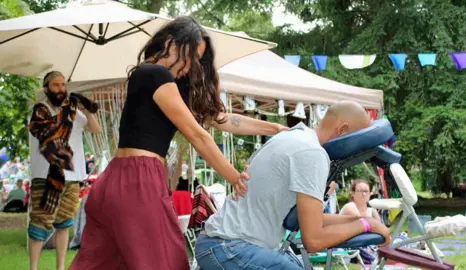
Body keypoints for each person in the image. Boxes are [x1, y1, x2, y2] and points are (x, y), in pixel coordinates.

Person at [70, 16, 287, 270]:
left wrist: (276, 128)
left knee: (100, 264)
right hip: (139, 182)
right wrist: (235, 177)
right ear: (172, 44)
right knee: (169, 263)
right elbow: (197, 135)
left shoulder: (151, 79)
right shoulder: (157, 74)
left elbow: (222, 119)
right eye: (190, 56)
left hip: (113, 182)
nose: (191, 65)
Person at [195, 101, 391, 269]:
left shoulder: (294, 137)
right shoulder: (312, 153)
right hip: (229, 247)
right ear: (343, 130)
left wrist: (365, 222)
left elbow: (313, 221)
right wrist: (364, 224)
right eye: (359, 141)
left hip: (220, 242)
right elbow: (314, 240)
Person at [28, 71, 101, 270]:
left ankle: (61, 268)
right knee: (39, 225)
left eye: (62, 85)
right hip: (45, 176)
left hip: (73, 176)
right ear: (46, 88)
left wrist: (86, 110)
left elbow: (95, 129)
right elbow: (45, 133)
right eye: (56, 85)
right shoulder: (39, 111)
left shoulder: (74, 112)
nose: (61, 88)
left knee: (64, 223)